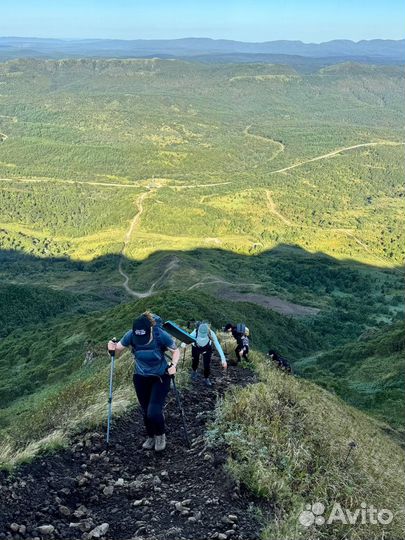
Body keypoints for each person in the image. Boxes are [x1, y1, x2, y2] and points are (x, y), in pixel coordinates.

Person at [107, 311, 179, 452]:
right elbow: (118, 350)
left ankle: (160, 435)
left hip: (160, 377)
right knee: (146, 410)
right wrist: (111, 348)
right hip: (140, 377)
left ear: (150, 329)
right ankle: (151, 436)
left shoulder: (160, 335)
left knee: (153, 411)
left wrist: (173, 366)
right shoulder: (131, 335)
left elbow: (175, 351)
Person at [184, 322, 227, 386]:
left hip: (207, 348)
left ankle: (206, 378)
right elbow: (187, 339)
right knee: (195, 361)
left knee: (207, 364)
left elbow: (218, 345)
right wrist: (184, 344)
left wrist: (223, 359)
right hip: (196, 347)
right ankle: (194, 371)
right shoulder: (194, 332)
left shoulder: (211, 333)